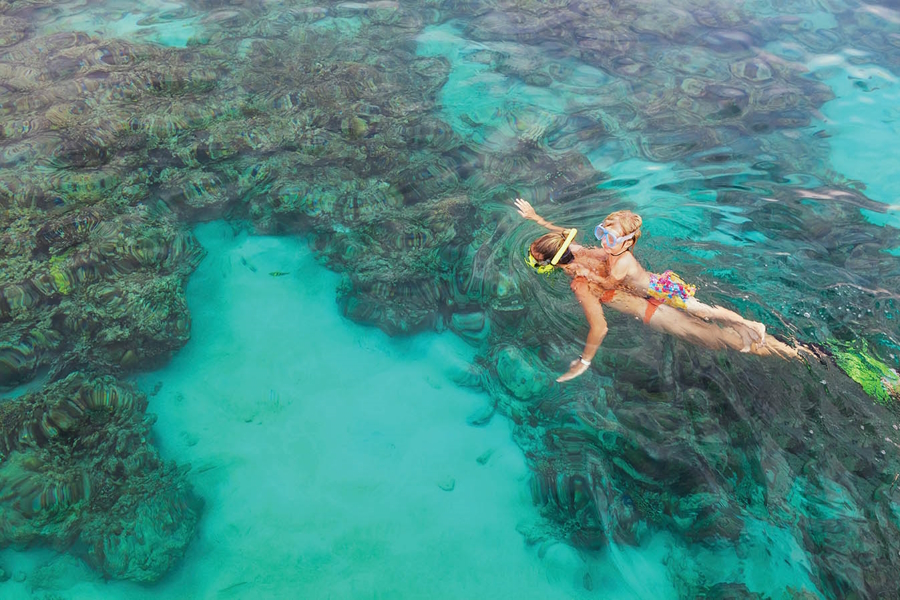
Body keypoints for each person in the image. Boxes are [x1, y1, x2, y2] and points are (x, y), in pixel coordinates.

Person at [515, 200, 800, 382]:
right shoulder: (584, 249)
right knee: (708, 316)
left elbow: (600, 329)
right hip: (658, 291)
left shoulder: (580, 283)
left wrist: (585, 361)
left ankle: (800, 355)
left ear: (551, 265)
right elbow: (561, 233)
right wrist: (536, 218)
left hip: (655, 312)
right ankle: (794, 348)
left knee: (727, 340)